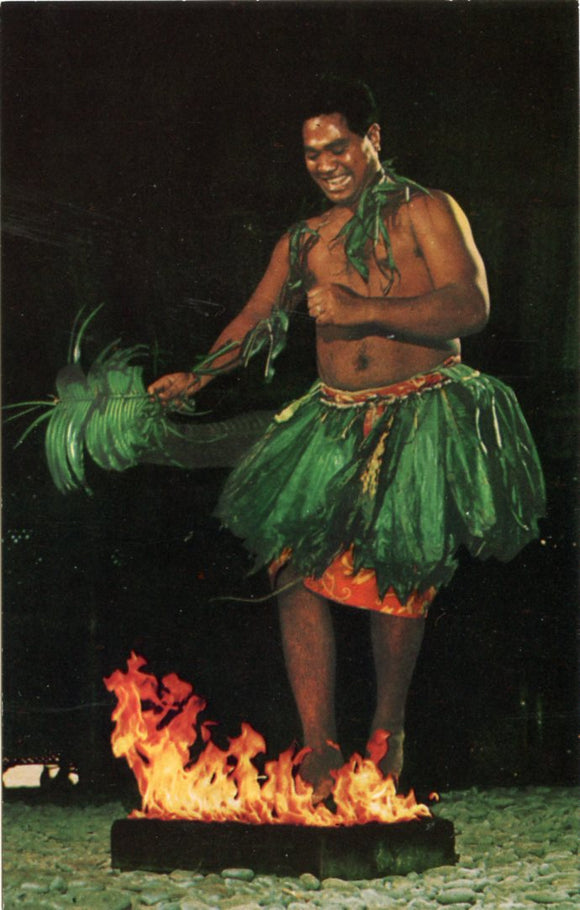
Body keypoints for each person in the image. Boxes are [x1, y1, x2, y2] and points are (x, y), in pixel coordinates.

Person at [148, 79, 545, 801]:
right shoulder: (304, 239)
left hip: (420, 407)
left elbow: (470, 305)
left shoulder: (425, 209)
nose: (326, 164)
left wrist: (364, 310)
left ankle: (388, 730)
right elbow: (254, 317)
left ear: (373, 139)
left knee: (396, 564)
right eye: (312, 153)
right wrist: (197, 377)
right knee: (291, 561)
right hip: (332, 414)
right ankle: (320, 748)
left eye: (338, 147)